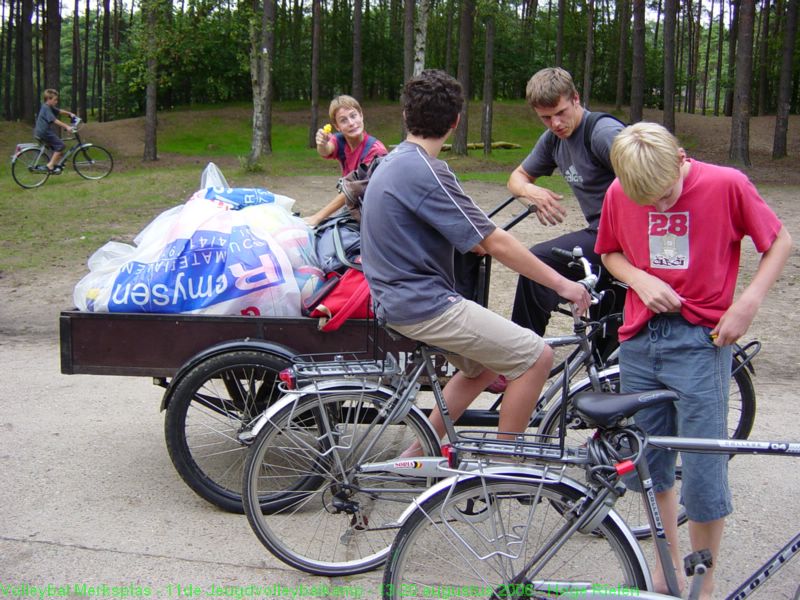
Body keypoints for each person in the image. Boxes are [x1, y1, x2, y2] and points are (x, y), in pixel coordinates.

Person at [595, 122, 792, 598]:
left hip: (702, 341)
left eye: (667, 195)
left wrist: (747, 304)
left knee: (704, 467)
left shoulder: (727, 184)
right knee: (650, 461)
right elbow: (610, 252)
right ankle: (666, 571)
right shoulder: (623, 190)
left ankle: (704, 581)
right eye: (650, 203)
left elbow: (779, 242)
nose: (660, 207)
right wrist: (640, 281)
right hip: (641, 338)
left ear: (681, 158)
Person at [360, 69, 591, 448]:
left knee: (484, 365)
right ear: (455, 122)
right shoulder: (425, 170)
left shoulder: (394, 161)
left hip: (397, 299)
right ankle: (503, 469)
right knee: (537, 357)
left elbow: (471, 236)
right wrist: (564, 284)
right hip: (423, 303)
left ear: (405, 116)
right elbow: (494, 242)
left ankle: (421, 453)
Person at [507, 68, 625, 356]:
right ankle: (519, 356)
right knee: (534, 266)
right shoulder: (553, 140)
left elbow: (653, 179)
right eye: (546, 118)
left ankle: (518, 356)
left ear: (576, 98)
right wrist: (529, 190)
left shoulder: (603, 134)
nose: (555, 123)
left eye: (560, 112)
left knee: (537, 259)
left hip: (627, 240)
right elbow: (516, 178)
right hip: (601, 235)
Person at [307, 95, 388, 226]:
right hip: (356, 208)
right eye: (343, 120)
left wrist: (317, 217)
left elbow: (353, 190)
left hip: (376, 215)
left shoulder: (375, 151)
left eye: (353, 116)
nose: (351, 123)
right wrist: (321, 143)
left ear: (361, 115)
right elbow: (326, 150)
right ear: (337, 126)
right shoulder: (341, 140)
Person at [35, 89, 76, 174]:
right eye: (55, 100)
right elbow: (54, 120)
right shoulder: (46, 108)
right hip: (44, 132)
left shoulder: (48, 106)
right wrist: (67, 126)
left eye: (57, 100)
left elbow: (59, 111)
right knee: (61, 145)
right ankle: (50, 165)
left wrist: (70, 114)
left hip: (41, 131)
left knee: (56, 147)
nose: (56, 102)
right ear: (48, 99)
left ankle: (54, 165)